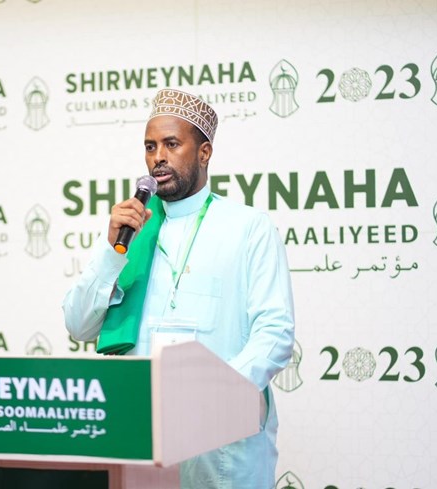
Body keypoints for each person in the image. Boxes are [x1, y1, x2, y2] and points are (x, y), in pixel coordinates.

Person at [63, 88, 295, 489]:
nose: (158, 157)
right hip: (142, 435)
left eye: (172, 144)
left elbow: (275, 333)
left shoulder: (247, 227)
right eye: (150, 146)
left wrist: (214, 399)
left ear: (204, 153)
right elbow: (78, 325)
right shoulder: (132, 231)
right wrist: (111, 251)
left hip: (220, 440)